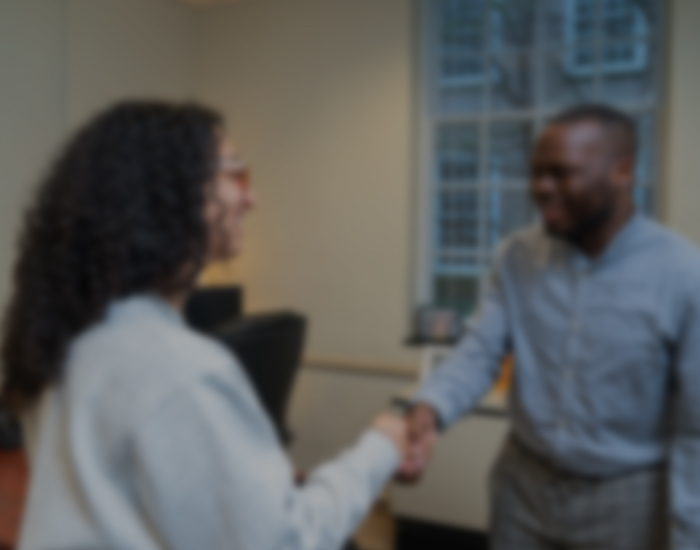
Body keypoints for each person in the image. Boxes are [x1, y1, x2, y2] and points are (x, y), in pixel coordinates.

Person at [1, 101, 407, 550]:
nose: (252, 198)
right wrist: (381, 447)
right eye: (236, 173)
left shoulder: (65, 342)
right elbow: (287, 541)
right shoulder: (178, 371)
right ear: (167, 192)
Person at [397, 105, 700, 549]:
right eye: (537, 173)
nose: (541, 188)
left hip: (628, 501)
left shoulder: (683, 274)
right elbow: (479, 351)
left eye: (562, 173)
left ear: (623, 170)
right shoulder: (516, 255)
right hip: (523, 486)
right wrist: (430, 409)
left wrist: (689, 532)